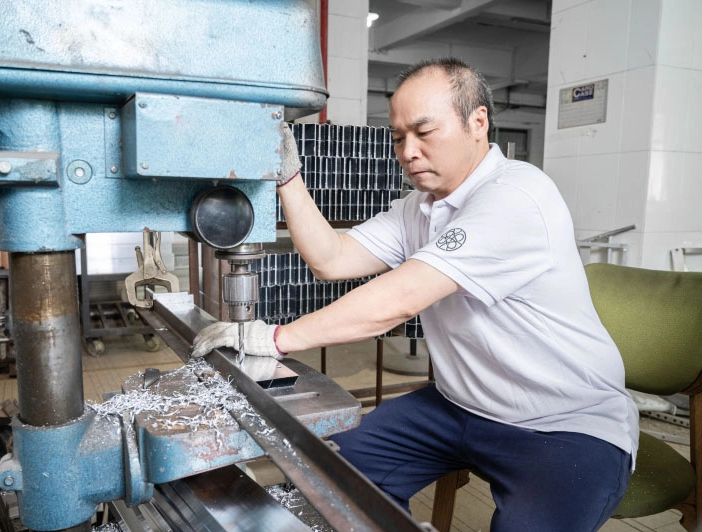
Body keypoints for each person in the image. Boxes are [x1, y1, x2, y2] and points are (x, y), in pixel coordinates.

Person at [191, 57, 638, 531]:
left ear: (478, 121)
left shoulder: (517, 197)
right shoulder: (418, 208)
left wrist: (272, 338)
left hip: (565, 426)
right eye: (399, 136)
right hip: (457, 407)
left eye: (425, 132)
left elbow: (398, 301)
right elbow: (332, 259)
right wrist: (288, 179)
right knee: (325, 476)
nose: (409, 151)